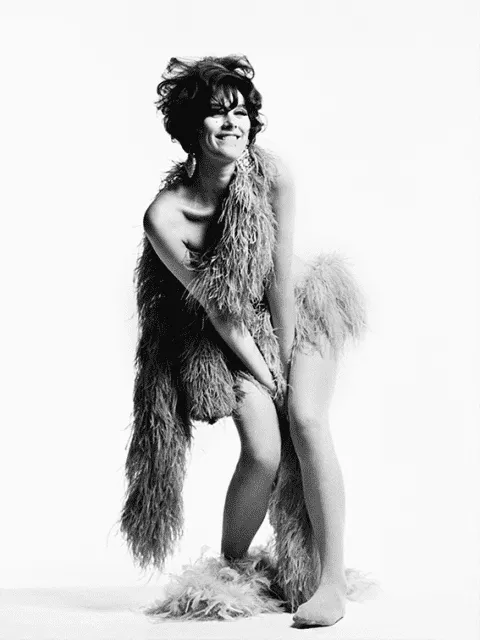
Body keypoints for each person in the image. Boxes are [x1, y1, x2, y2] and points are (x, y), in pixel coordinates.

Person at [121, 55, 367, 627]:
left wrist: (285, 362)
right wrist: (264, 371)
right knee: (262, 450)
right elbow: (218, 307)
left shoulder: (272, 174)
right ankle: (232, 572)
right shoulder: (166, 216)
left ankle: (330, 585)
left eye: (240, 112)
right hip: (225, 334)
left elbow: (279, 279)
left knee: (305, 417)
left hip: (299, 308)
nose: (232, 122)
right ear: (191, 129)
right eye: (216, 112)